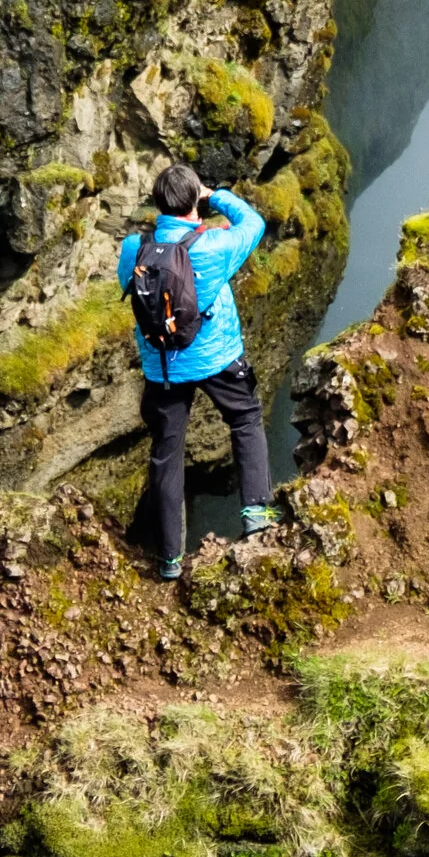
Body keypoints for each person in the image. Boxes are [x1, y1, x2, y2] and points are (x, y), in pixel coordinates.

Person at [118, 159, 276, 579]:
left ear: (158, 203)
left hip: (163, 367)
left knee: (167, 454)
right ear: (194, 203)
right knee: (245, 418)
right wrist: (215, 195)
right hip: (218, 357)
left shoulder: (136, 247)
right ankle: (256, 512)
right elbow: (253, 222)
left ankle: (169, 559)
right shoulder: (216, 246)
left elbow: (126, 286)